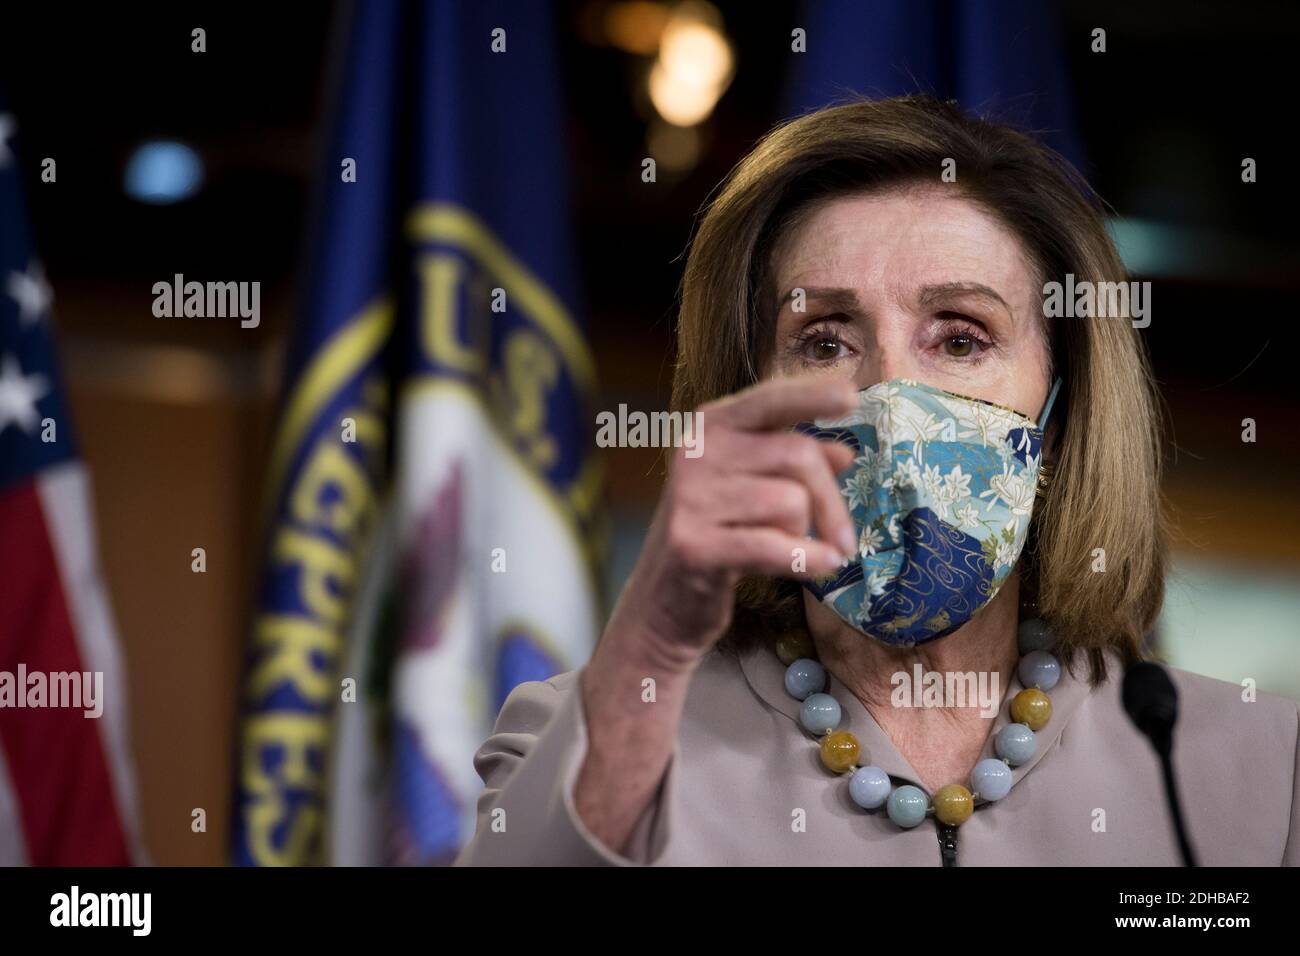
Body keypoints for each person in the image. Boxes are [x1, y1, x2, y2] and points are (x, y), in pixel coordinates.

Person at [454, 95, 1299, 866]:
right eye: (824, 341)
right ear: (746, 393)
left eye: (961, 339)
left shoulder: (1262, 767)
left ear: (1063, 409)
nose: (889, 401)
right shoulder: (587, 743)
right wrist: (652, 639)